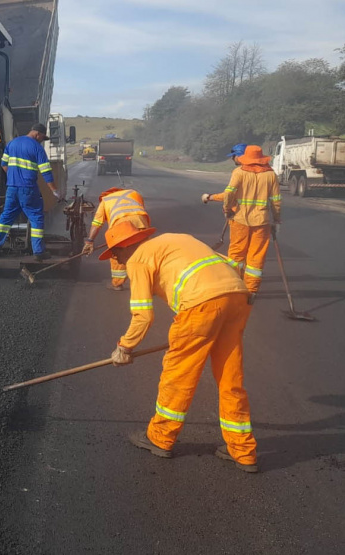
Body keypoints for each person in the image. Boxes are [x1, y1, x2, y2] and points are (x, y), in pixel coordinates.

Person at [102, 221, 258, 473]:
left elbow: (142, 315)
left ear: (125, 246)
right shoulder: (175, 238)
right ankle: (242, 450)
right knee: (230, 378)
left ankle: (160, 437)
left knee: (178, 375)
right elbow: (228, 263)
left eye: (115, 253)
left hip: (201, 305)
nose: (116, 259)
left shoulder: (137, 259)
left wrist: (125, 347)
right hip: (237, 296)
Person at [202, 144, 281, 293]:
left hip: (240, 221)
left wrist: (227, 210)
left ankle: (235, 287)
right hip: (262, 222)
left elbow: (230, 193)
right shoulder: (271, 175)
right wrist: (277, 220)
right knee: (256, 259)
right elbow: (276, 200)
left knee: (236, 256)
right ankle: (251, 291)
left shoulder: (239, 172)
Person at [0, 123, 60, 261]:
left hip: (12, 188)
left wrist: (13, 176)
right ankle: (38, 252)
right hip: (28, 189)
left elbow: (3, 165)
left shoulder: (12, 144)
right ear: (37, 134)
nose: (41, 140)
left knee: (5, 219)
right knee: (36, 218)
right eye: (42, 138)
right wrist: (55, 191)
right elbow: (46, 172)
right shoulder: (37, 148)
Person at [82, 187, 150, 290]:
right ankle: (147, 283)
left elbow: (97, 224)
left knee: (117, 254)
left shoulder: (105, 200)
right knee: (143, 253)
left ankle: (117, 283)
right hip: (141, 224)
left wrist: (89, 241)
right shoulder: (134, 193)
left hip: (121, 227)